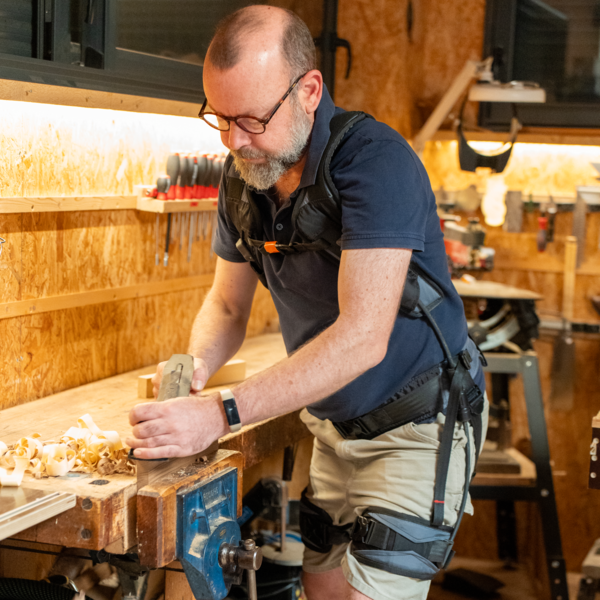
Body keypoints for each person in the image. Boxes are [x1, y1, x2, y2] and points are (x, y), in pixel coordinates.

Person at [127, 6, 488, 600]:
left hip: (416, 426)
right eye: (221, 119)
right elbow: (227, 307)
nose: (236, 141)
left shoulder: (376, 164)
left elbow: (361, 338)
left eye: (252, 119)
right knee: (320, 592)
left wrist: (220, 414)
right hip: (335, 427)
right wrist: (194, 372)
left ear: (309, 90)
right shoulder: (246, 175)